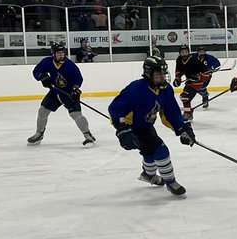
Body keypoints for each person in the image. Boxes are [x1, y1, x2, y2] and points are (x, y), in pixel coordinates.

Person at [108, 56, 193, 197]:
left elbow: (170, 114)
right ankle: (170, 182)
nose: (162, 76)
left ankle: (148, 174)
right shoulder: (136, 88)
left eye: (163, 73)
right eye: (158, 73)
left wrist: (182, 128)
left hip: (146, 126)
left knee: (149, 152)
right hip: (132, 128)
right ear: (148, 73)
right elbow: (115, 109)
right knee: (160, 150)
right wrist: (122, 129)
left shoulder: (166, 90)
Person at [27, 42, 96, 147]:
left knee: (76, 115)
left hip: (68, 93)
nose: (61, 55)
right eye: (58, 53)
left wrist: (75, 90)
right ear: (53, 54)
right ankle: (39, 134)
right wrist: (42, 77)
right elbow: (36, 71)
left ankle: (88, 136)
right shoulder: (47, 62)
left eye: (63, 53)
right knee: (42, 111)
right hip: (55, 92)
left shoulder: (69, 65)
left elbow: (78, 79)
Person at [172, 44, 221, 120]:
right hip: (190, 82)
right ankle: (189, 113)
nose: (184, 53)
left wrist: (199, 77)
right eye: (182, 52)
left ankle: (187, 113)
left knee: (184, 96)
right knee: (185, 98)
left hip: (198, 83)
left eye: (186, 52)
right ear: (179, 53)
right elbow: (179, 70)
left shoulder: (193, 60)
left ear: (188, 52)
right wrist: (178, 78)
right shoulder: (179, 60)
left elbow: (205, 73)